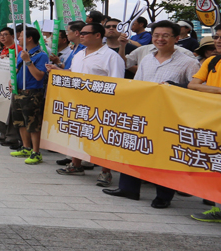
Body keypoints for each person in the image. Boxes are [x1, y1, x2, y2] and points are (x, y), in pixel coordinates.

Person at [103, 20, 199, 209]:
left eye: (165, 35)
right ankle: (128, 188)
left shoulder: (188, 62)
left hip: (169, 116)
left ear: (176, 38)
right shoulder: (146, 58)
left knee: (163, 155)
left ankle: (164, 195)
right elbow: (138, 84)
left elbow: (193, 90)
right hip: (143, 112)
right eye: (156, 35)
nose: (160, 39)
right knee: (134, 147)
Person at [50, 22, 124, 185]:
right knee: (78, 133)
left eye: (84, 33)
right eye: (80, 33)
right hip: (78, 103)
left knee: (103, 138)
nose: (80, 35)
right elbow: (74, 73)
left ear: (98, 35)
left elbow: (117, 83)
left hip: (101, 105)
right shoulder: (79, 54)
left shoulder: (111, 57)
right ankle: (76, 164)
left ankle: (106, 171)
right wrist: (58, 71)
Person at [187, 28, 221, 223]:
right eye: (216, 37)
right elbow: (193, 85)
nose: (218, 41)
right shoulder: (211, 62)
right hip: (214, 122)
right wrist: (218, 90)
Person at [8, 26, 49, 165]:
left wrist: (28, 61)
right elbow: (17, 69)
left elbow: (39, 76)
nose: (18, 38)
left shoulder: (41, 55)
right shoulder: (23, 53)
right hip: (18, 92)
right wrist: (12, 80)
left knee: (33, 123)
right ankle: (26, 147)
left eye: (20, 36)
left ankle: (36, 152)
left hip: (32, 93)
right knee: (20, 121)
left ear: (29, 38)